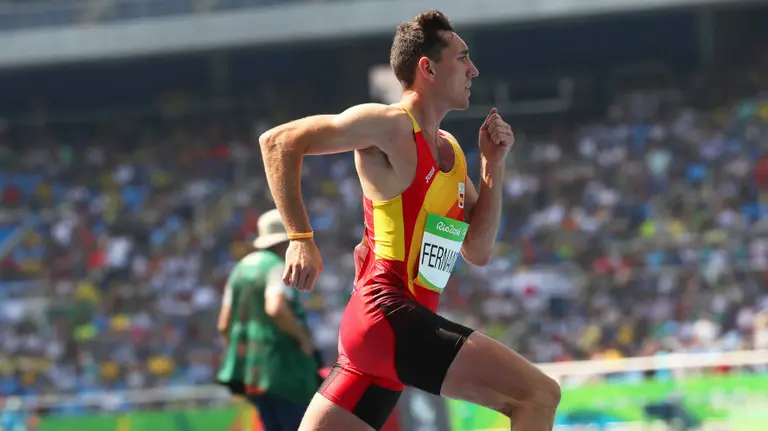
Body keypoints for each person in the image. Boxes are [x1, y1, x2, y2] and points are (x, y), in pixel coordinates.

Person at [258, 9, 561, 431]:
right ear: (427, 68)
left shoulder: (451, 152)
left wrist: (493, 168)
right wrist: (300, 237)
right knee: (539, 395)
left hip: (383, 340)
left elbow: (478, 249)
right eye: (462, 58)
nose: (474, 70)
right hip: (388, 314)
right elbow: (278, 142)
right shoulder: (389, 126)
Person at [216, 209, 320, 431]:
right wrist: (304, 340)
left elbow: (224, 324)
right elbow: (275, 308)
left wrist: (237, 353)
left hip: (251, 373)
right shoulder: (276, 266)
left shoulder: (239, 270)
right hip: (283, 369)